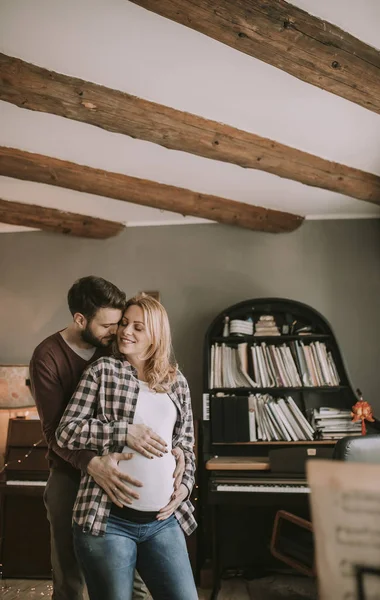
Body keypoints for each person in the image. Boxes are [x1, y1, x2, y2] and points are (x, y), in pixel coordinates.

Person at [30, 277, 185, 600]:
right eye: (112, 325)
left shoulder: (116, 351)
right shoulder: (52, 357)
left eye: (125, 324)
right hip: (71, 474)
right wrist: (94, 463)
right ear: (80, 320)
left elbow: (178, 432)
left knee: (134, 581)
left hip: (143, 508)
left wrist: (182, 465)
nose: (118, 332)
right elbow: (57, 430)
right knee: (71, 577)